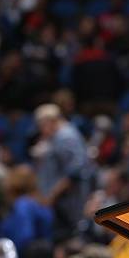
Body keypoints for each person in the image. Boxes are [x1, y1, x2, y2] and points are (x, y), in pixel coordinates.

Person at [33, 103, 95, 241]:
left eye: (42, 126)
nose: (41, 130)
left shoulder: (66, 137)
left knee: (68, 239)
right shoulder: (56, 137)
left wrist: (51, 196)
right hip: (60, 203)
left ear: (52, 121)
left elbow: (74, 172)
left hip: (68, 202)